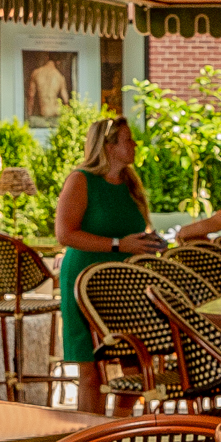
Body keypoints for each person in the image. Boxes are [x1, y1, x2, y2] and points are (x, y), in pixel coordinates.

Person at [55, 115, 163, 412]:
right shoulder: (81, 180)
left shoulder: (130, 183)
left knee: (136, 364)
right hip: (85, 281)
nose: (134, 144)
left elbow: (132, 230)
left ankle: (118, 427)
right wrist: (118, 244)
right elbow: (65, 233)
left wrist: (148, 245)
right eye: (128, 139)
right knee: (92, 373)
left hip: (126, 283)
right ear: (109, 146)